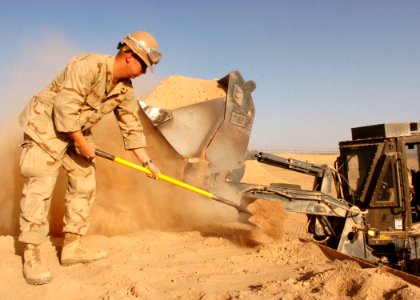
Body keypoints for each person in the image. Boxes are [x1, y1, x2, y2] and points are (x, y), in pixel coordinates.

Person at [18, 31, 162, 285]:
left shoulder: (125, 90)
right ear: (128, 55)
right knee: (40, 185)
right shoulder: (89, 66)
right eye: (143, 65)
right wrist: (83, 143)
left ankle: (72, 247)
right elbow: (64, 107)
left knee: (85, 181)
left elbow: (131, 125)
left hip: (77, 130)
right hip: (46, 126)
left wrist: (147, 162)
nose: (143, 72)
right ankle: (31, 252)